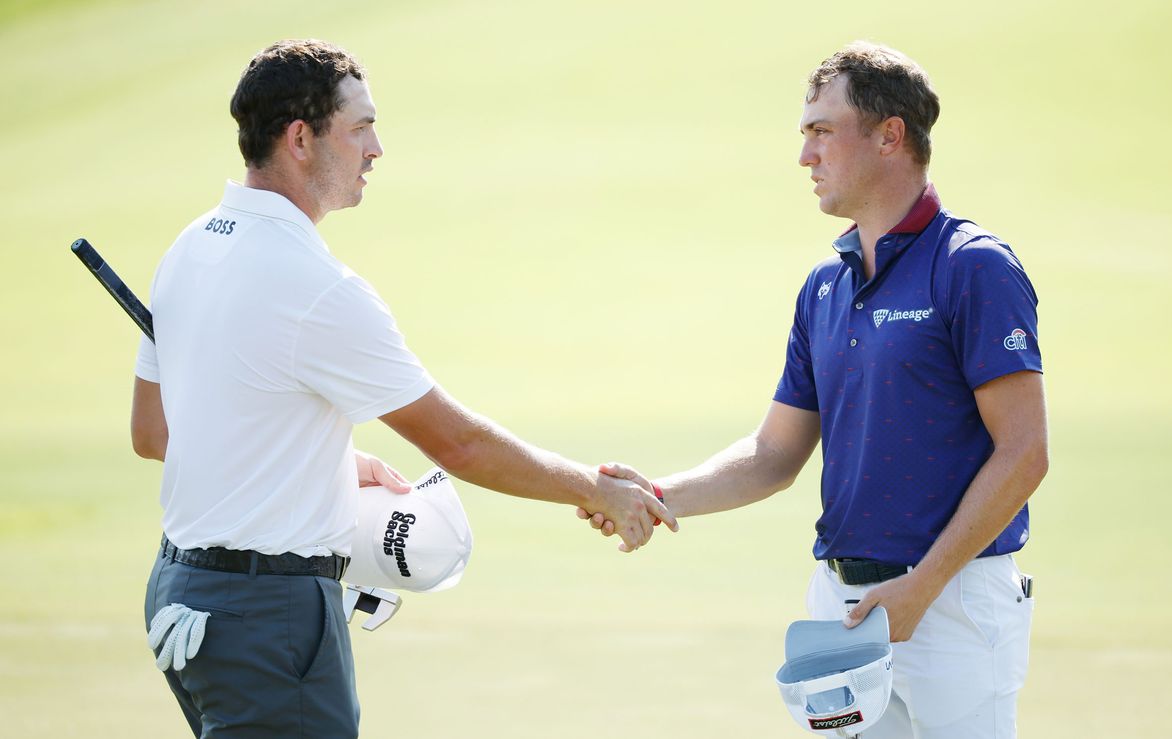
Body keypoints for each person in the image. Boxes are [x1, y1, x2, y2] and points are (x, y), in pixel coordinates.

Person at [131, 38, 675, 738]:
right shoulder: (319, 289)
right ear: (300, 138)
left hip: (184, 596)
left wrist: (318, 460)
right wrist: (595, 489)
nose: (377, 147)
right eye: (359, 127)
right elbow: (459, 442)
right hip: (268, 620)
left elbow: (158, 434)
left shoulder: (188, 247)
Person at [584, 41, 1048, 738]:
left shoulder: (972, 266)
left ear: (890, 135)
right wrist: (658, 496)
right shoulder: (824, 287)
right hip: (842, 607)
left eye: (821, 132)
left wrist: (922, 585)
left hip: (954, 600)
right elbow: (775, 453)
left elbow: (1025, 452)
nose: (806, 156)